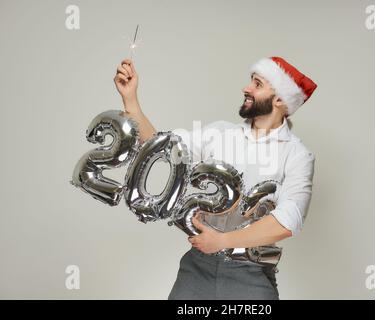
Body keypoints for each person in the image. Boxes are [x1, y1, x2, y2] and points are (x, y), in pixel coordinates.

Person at [114, 56, 317, 300]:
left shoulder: (297, 155)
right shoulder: (220, 133)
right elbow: (161, 148)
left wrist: (222, 241)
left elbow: (287, 221)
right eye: (250, 82)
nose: (246, 88)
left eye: (258, 84)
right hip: (197, 269)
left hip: (251, 276)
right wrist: (130, 99)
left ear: (280, 100)